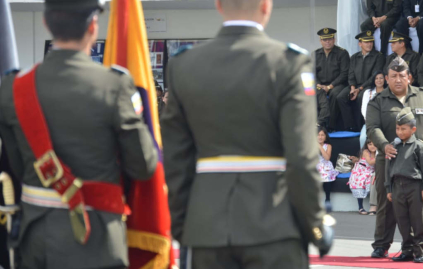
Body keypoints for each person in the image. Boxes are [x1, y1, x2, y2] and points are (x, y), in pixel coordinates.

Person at [161, 0, 333, 268]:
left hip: (207, 228)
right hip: (275, 227)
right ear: (266, 6)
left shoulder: (185, 64)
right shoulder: (289, 62)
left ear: (218, 5)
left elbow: (175, 159)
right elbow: (301, 158)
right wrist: (316, 225)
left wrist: (184, 226)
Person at [0, 0, 159, 268]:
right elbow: (143, 165)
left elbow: (14, 166)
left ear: (46, 23)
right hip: (99, 238)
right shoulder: (115, 85)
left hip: (36, 238)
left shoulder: (13, 87)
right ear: (93, 26)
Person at [366, 57, 423, 259]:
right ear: (386, 78)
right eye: (393, 76)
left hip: (418, 161)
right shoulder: (377, 101)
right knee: (386, 202)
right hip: (389, 159)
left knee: (420, 203)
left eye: (402, 75)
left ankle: (422, 245)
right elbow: (372, 128)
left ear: (409, 77)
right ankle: (382, 244)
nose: (398, 79)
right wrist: (385, 146)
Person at [386, 107, 423, 263]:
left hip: (415, 186)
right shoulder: (394, 146)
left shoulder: (420, 146)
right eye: (397, 128)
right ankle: (406, 250)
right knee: (402, 220)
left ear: (413, 129)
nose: (400, 132)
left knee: (417, 220)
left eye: (403, 129)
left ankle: (420, 251)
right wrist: (389, 189)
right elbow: (388, 169)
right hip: (398, 186)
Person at [338, 31, 385, 132]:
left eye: (371, 42)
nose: (369, 44)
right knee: (341, 97)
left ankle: (360, 126)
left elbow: (374, 76)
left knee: (360, 97)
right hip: (355, 86)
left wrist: (359, 89)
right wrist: (352, 88)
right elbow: (351, 74)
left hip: (369, 85)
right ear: (360, 44)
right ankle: (350, 126)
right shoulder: (355, 57)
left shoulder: (378, 56)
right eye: (366, 42)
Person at [314, 28, 350, 130]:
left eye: (330, 39)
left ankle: (331, 125)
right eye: (325, 40)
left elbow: (344, 74)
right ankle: (317, 124)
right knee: (313, 93)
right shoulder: (315, 54)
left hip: (337, 84)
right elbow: (312, 72)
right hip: (320, 85)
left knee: (334, 94)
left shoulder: (342, 53)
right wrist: (318, 85)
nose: (327, 42)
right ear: (320, 41)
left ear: (334, 40)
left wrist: (330, 86)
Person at [348, 138, 376, 215]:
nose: (372, 146)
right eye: (370, 144)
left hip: (370, 171)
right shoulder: (365, 151)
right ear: (367, 145)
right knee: (360, 182)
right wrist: (381, 156)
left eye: (374, 144)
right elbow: (370, 162)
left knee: (373, 179)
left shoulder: (378, 152)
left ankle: (374, 205)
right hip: (360, 171)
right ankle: (360, 207)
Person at [360, 71, 386, 149]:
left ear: (385, 79)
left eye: (381, 78)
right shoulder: (368, 93)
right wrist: (370, 121)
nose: (379, 80)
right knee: (362, 138)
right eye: (376, 78)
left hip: (385, 123)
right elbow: (364, 109)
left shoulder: (389, 92)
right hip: (370, 122)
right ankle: (364, 159)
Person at [316, 127, 338, 213]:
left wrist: (320, 147)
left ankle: (327, 199)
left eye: (322, 135)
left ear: (325, 137)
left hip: (325, 165)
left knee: (326, 175)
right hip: (316, 165)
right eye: (318, 135)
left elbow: (327, 158)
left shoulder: (328, 146)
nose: (320, 137)